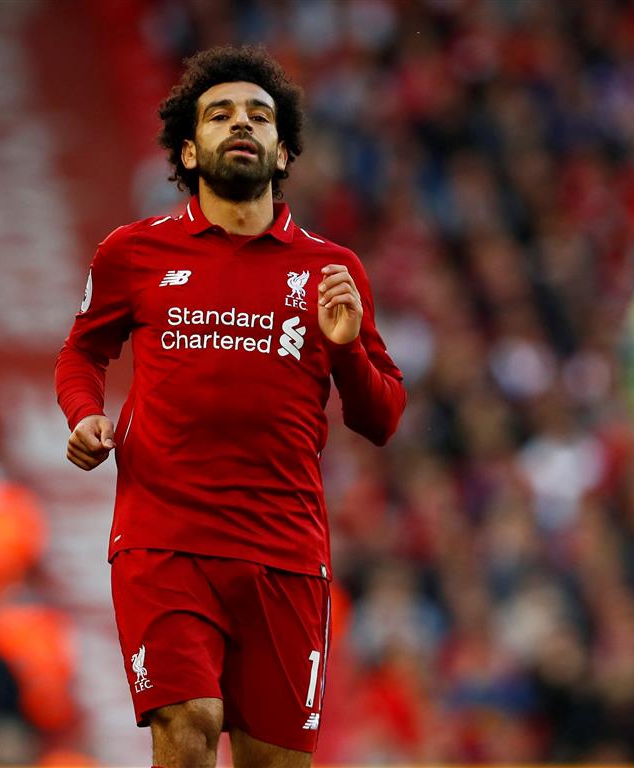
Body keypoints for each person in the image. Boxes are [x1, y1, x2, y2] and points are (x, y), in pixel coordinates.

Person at [55, 46, 406, 768]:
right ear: (189, 149)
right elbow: (81, 354)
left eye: (258, 116)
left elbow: (381, 419)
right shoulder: (134, 253)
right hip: (165, 540)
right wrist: (84, 414)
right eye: (219, 115)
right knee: (188, 722)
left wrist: (344, 350)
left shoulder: (331, 270)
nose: (240, 124)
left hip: (285, 551)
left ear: (282, 153)